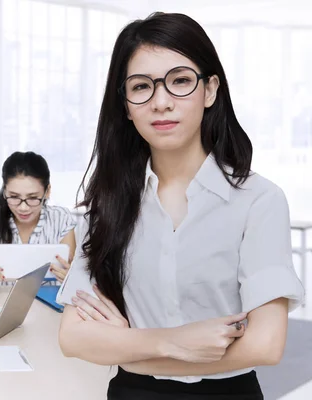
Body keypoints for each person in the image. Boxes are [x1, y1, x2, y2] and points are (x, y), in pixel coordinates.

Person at [57, 12, 305, 400]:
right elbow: (74, 337)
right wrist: (173, 341)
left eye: (180, 82)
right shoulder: (107, 204)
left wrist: (133, 350)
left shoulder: (259, 201)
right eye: (141, 87)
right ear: (125, 104)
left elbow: (265, 345)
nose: (161, 102)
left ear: (209, 91)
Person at [0, 151, 77, 290]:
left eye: (32, 198)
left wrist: (69, 276)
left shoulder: (61, 219)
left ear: (47, 191)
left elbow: (72, 271)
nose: (23, 208)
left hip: (49, 306)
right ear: (5, 191)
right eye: (14, 196)